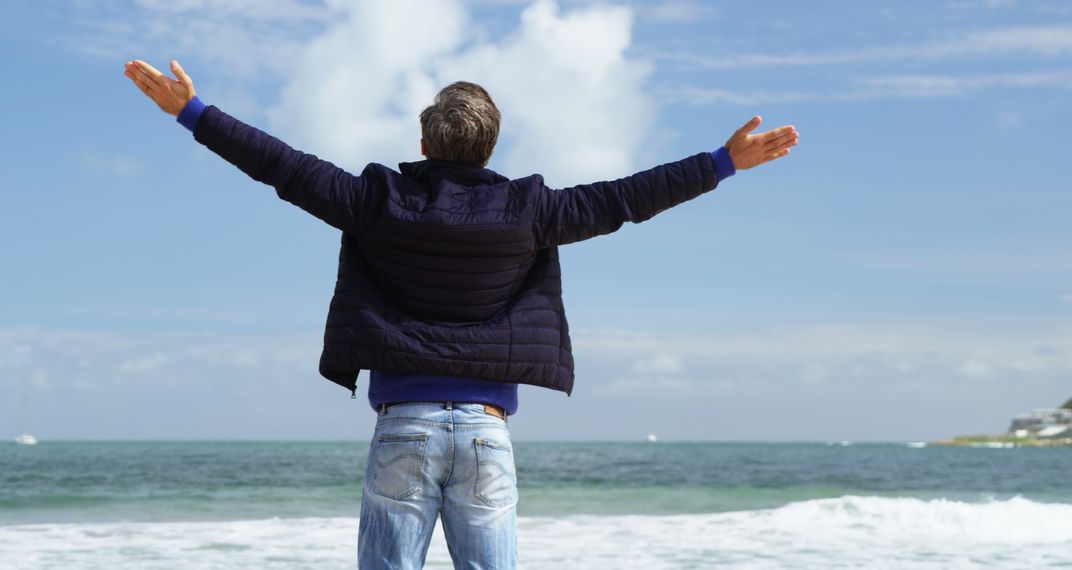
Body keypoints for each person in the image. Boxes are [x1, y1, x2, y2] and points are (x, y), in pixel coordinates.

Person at [124, 58, 798, 570]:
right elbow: (627, 198)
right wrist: (721, 162)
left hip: (403, 430)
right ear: (490, 146)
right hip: (484, 434)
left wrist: (194, 113)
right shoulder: (530, 213)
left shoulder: (375, 201)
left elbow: (284, 167)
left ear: (424, 143)